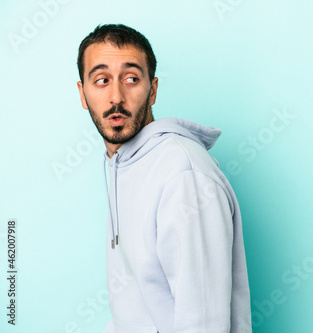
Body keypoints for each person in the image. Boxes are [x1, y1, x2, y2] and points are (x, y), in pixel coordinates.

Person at [76, 24, 252, 333]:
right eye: (101, 80)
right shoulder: (122, 164)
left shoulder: (183, 175)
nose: (116, 96)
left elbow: (204, 323)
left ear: (153, 90)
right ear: (83, 94)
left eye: (131, 79)